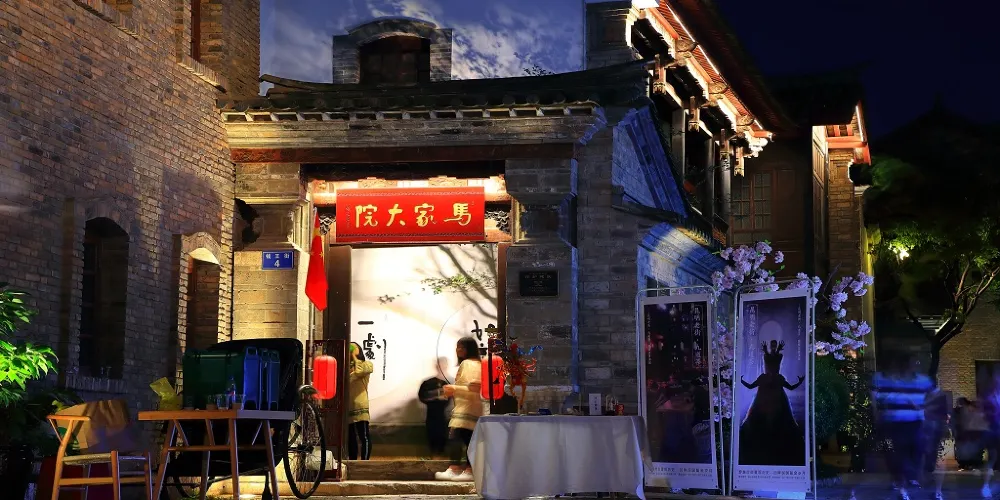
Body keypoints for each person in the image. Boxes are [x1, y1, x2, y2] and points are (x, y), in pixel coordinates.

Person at [872, 353, 933, 500]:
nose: (915, 366)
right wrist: (878, 415)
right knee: (897, 453)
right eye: (912, 363)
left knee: (916, 449)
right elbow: (878, 398)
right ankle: (900, 481)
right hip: (894, 423)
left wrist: (927, 415)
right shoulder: (889, 380)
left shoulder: (922, 381)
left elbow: (932, 398)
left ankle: (908, 478)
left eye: (916, 363)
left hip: (915, 422)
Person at [738, 339, 806, 466]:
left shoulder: (776, 376)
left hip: (774, 397)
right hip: (767, 398)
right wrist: (741, 381)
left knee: (778, 421)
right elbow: (751, 386)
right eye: (772, 345)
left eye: (775, 345)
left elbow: (791, 387)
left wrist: (800, 382)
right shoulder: (766, 377)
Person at [435, 337, 482, 482]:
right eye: (458, 347)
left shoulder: (468, 364)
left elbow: (473, 387)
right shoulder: (476, 363)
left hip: (467, 407)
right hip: (471, 407)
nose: (458, 350)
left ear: (469, 349)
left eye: (462, 347)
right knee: (467, 438)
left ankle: (460, 469)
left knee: (457, 437)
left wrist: (454, 388)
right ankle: (464, 469)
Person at [418, 357, 451, 456]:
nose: (441, 367)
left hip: (443, 415)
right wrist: (436, 397)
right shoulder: (428, 383)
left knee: (442, 435)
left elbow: (448, 400)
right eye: (440, 364)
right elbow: (422, 396)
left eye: (443, 365)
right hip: (431, 414)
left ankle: (439, 453)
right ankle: (434, 453)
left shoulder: (448, 382)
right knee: (432, 434)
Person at [347, 342, 374, 460]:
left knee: (364, 436)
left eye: (353, 347)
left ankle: (365, 461)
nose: (351, 349)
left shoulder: (366, 365)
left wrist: (354, 355)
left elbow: (359, 372)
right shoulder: (346, 368)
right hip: (348, 406)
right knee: (351, 437)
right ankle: (353, 460)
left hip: (360, 405)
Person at [924, 386, 951, 500]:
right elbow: (947, 415)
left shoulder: (927, 395)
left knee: (932, 458)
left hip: (930, 429)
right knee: (939, 459)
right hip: (938, 429)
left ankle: (936, 490)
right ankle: (938, 492)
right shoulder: (942, 395)